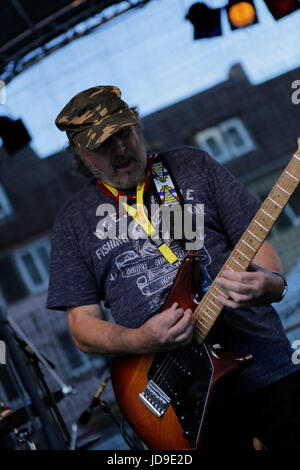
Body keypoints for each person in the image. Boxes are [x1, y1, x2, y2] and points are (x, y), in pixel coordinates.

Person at [47, 86, 300, 450]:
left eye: (123, 133)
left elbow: (257, 244)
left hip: (268, 370)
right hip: (177, 405)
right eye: (104, 144)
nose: (120, 149)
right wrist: (140, 339)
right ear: (82, 155)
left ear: (138, 126)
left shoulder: (191, 165)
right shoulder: (73, 223)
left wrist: (272, 286)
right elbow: (82, 327)